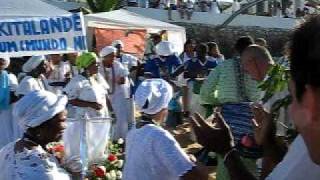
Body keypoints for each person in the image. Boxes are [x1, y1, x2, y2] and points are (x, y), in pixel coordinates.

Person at [191, 15, 320, 180]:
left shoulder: (275, 91)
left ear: (310, 102)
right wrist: (269, 141)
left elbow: (205, 94)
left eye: (294, 99)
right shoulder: (306, 147)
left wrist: (226, 151)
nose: (246, 73)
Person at [199, 44, 273, 180]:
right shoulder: (272, 81)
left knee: (226, 167)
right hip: (255, 130)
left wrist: (221, 102)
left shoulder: (223, 65)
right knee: (252, 167)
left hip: (231, 125)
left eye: (246, 68)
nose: (246, 74)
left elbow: (204, 94)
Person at [123, 78, 207, 180]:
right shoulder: (159, 136)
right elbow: (196, 176)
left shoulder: (133, 131)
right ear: (164, 106)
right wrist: (194, 161)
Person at [0, 90, 76, 179]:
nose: (65, 126)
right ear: (41, 127)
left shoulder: (9, 149)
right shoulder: (43, 169)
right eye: (61, 121)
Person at [63, 52, 112, 163]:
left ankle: (96, 164)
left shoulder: (96, 79)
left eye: (98, 63)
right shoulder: (78, 81)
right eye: (95, 64)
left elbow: (104, 96)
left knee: (98, 142)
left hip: (99, 119)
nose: (98, 66)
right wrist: (91, 105)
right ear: (87, 65)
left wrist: (111, 111)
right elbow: (71, 100)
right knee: (87, 142)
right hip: (85, 119)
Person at [99, 46, 133, 140]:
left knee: (120, 117)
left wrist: (122, 79)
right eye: (111, 56)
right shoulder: (98, 67)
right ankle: (108, 139)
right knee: (107, 117)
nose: (113, 58)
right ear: (104, 57)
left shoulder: (118, 65)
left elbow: (124, 78)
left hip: (118, 95)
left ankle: (120, 138)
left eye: (114, 56)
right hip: (103, 97)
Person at [0, 55, 19, 148]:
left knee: (8, 133)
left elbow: (16, 94)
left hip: (8, 110)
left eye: (1, 61)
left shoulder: (10, 77)